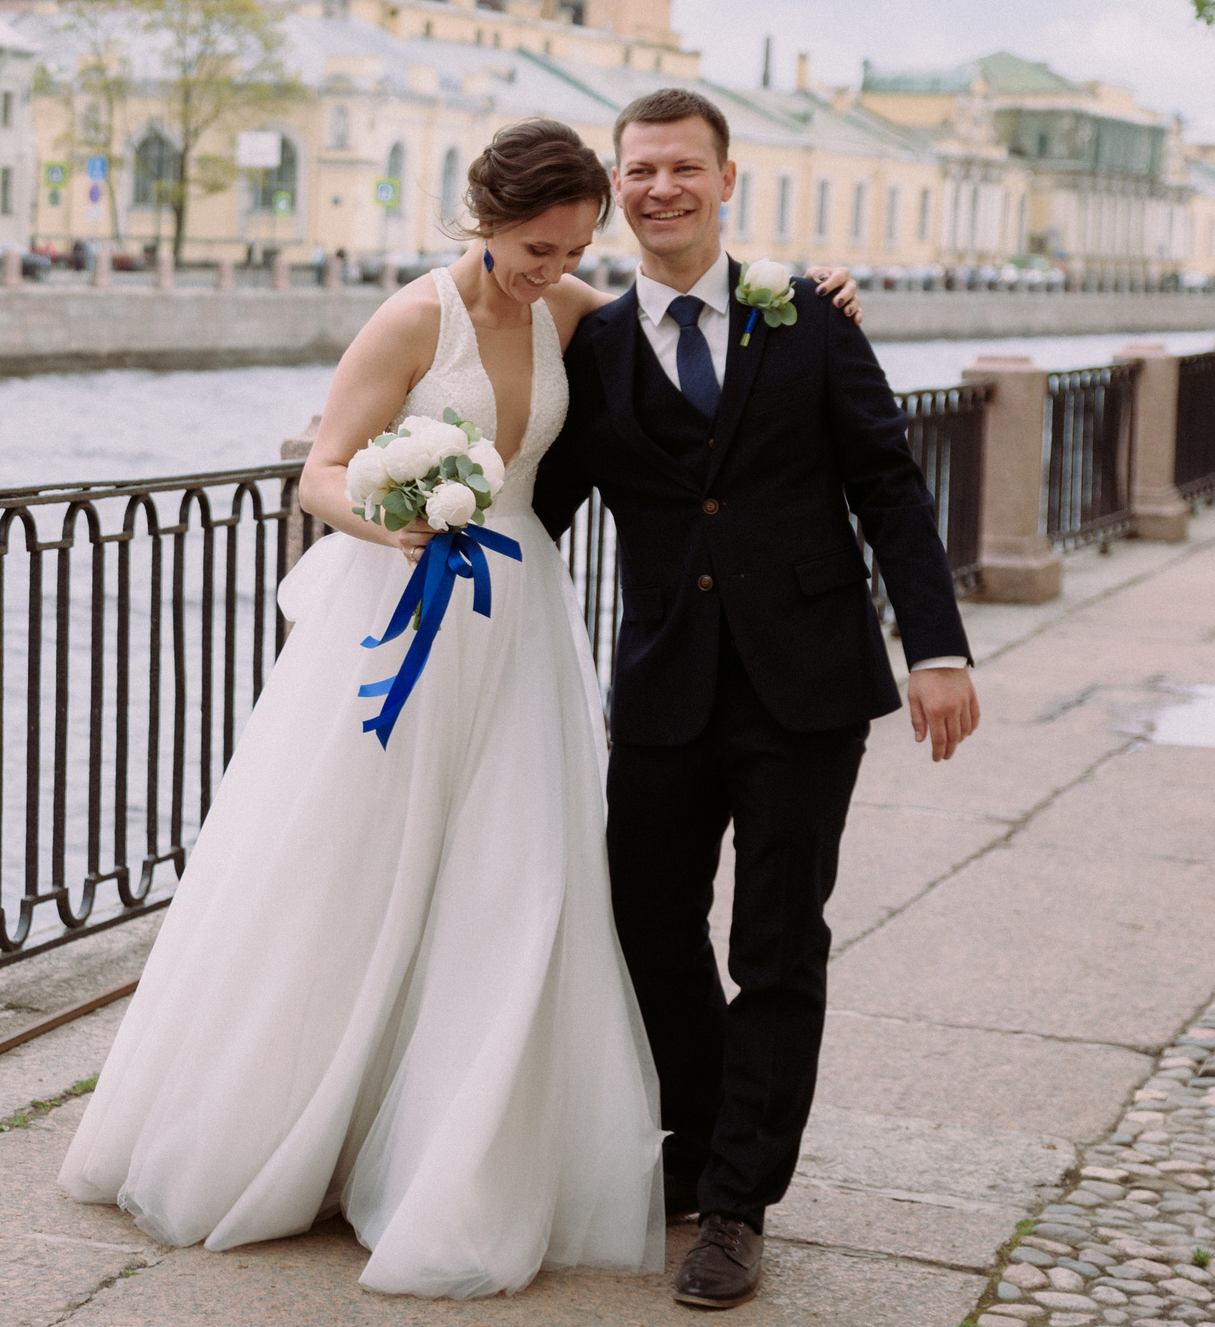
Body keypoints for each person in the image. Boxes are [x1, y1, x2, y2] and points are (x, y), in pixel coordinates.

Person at [58, 120, 870, 1299]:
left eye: (573, 248)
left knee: (515, 881)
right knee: (351, 869)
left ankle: (462, 1149)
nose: (554, 268)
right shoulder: (410, 317)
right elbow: (321, 469)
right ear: (483, 219)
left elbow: (691, 334)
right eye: (537, 247)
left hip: (517, 624)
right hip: (396, 610)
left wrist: (817, 294)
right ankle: (307, 1125)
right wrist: (395, 516)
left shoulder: (579, 315)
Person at [532, 88, 977, 1309]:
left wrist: (936, 646)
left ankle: (733, 1202)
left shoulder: (812, 320)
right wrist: (410, 515)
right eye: (639, 170)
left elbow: (887, 485)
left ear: (729, 181)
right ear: (615, 187)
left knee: (776, 944)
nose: (659, 188)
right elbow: (535, 500)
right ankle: (711, 1132)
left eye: (683, 168)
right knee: (642, 920)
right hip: (665, 682)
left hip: (805, 684)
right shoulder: (598, 347)